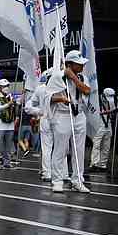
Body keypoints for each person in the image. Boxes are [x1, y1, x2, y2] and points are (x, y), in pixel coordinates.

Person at [48, 50, 92, 193]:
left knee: (79, 151)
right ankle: (57, 180)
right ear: (70, 64)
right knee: (60, 150)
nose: (82, 66)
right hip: (62, 115)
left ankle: (77, 180)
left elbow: (86, 91)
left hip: (79, 115)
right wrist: (61, 99)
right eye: (79, 64)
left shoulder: (82, 77)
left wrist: (73, 77)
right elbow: (47, 98)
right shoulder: (57, 77)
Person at [28, 70, 54, 180]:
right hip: (53, 120)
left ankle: (48, 173)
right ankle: (58, 173)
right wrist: (41, 111)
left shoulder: (40, 89)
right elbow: (28, 107)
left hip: (48, 120)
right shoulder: (62, 87)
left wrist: (40, 111)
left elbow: (28, 107)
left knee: (48, 148)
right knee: (58, 148)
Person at [90, 87, 117, 170]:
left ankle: (102, 164)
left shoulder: (112, 101)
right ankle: (94, 163)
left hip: (108, 124)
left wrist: (113, 112)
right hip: (99, 123)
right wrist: (107, 112)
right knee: (97, 144)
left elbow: (112, 113)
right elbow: (93, 112)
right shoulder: (96, 100)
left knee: (106, 145)